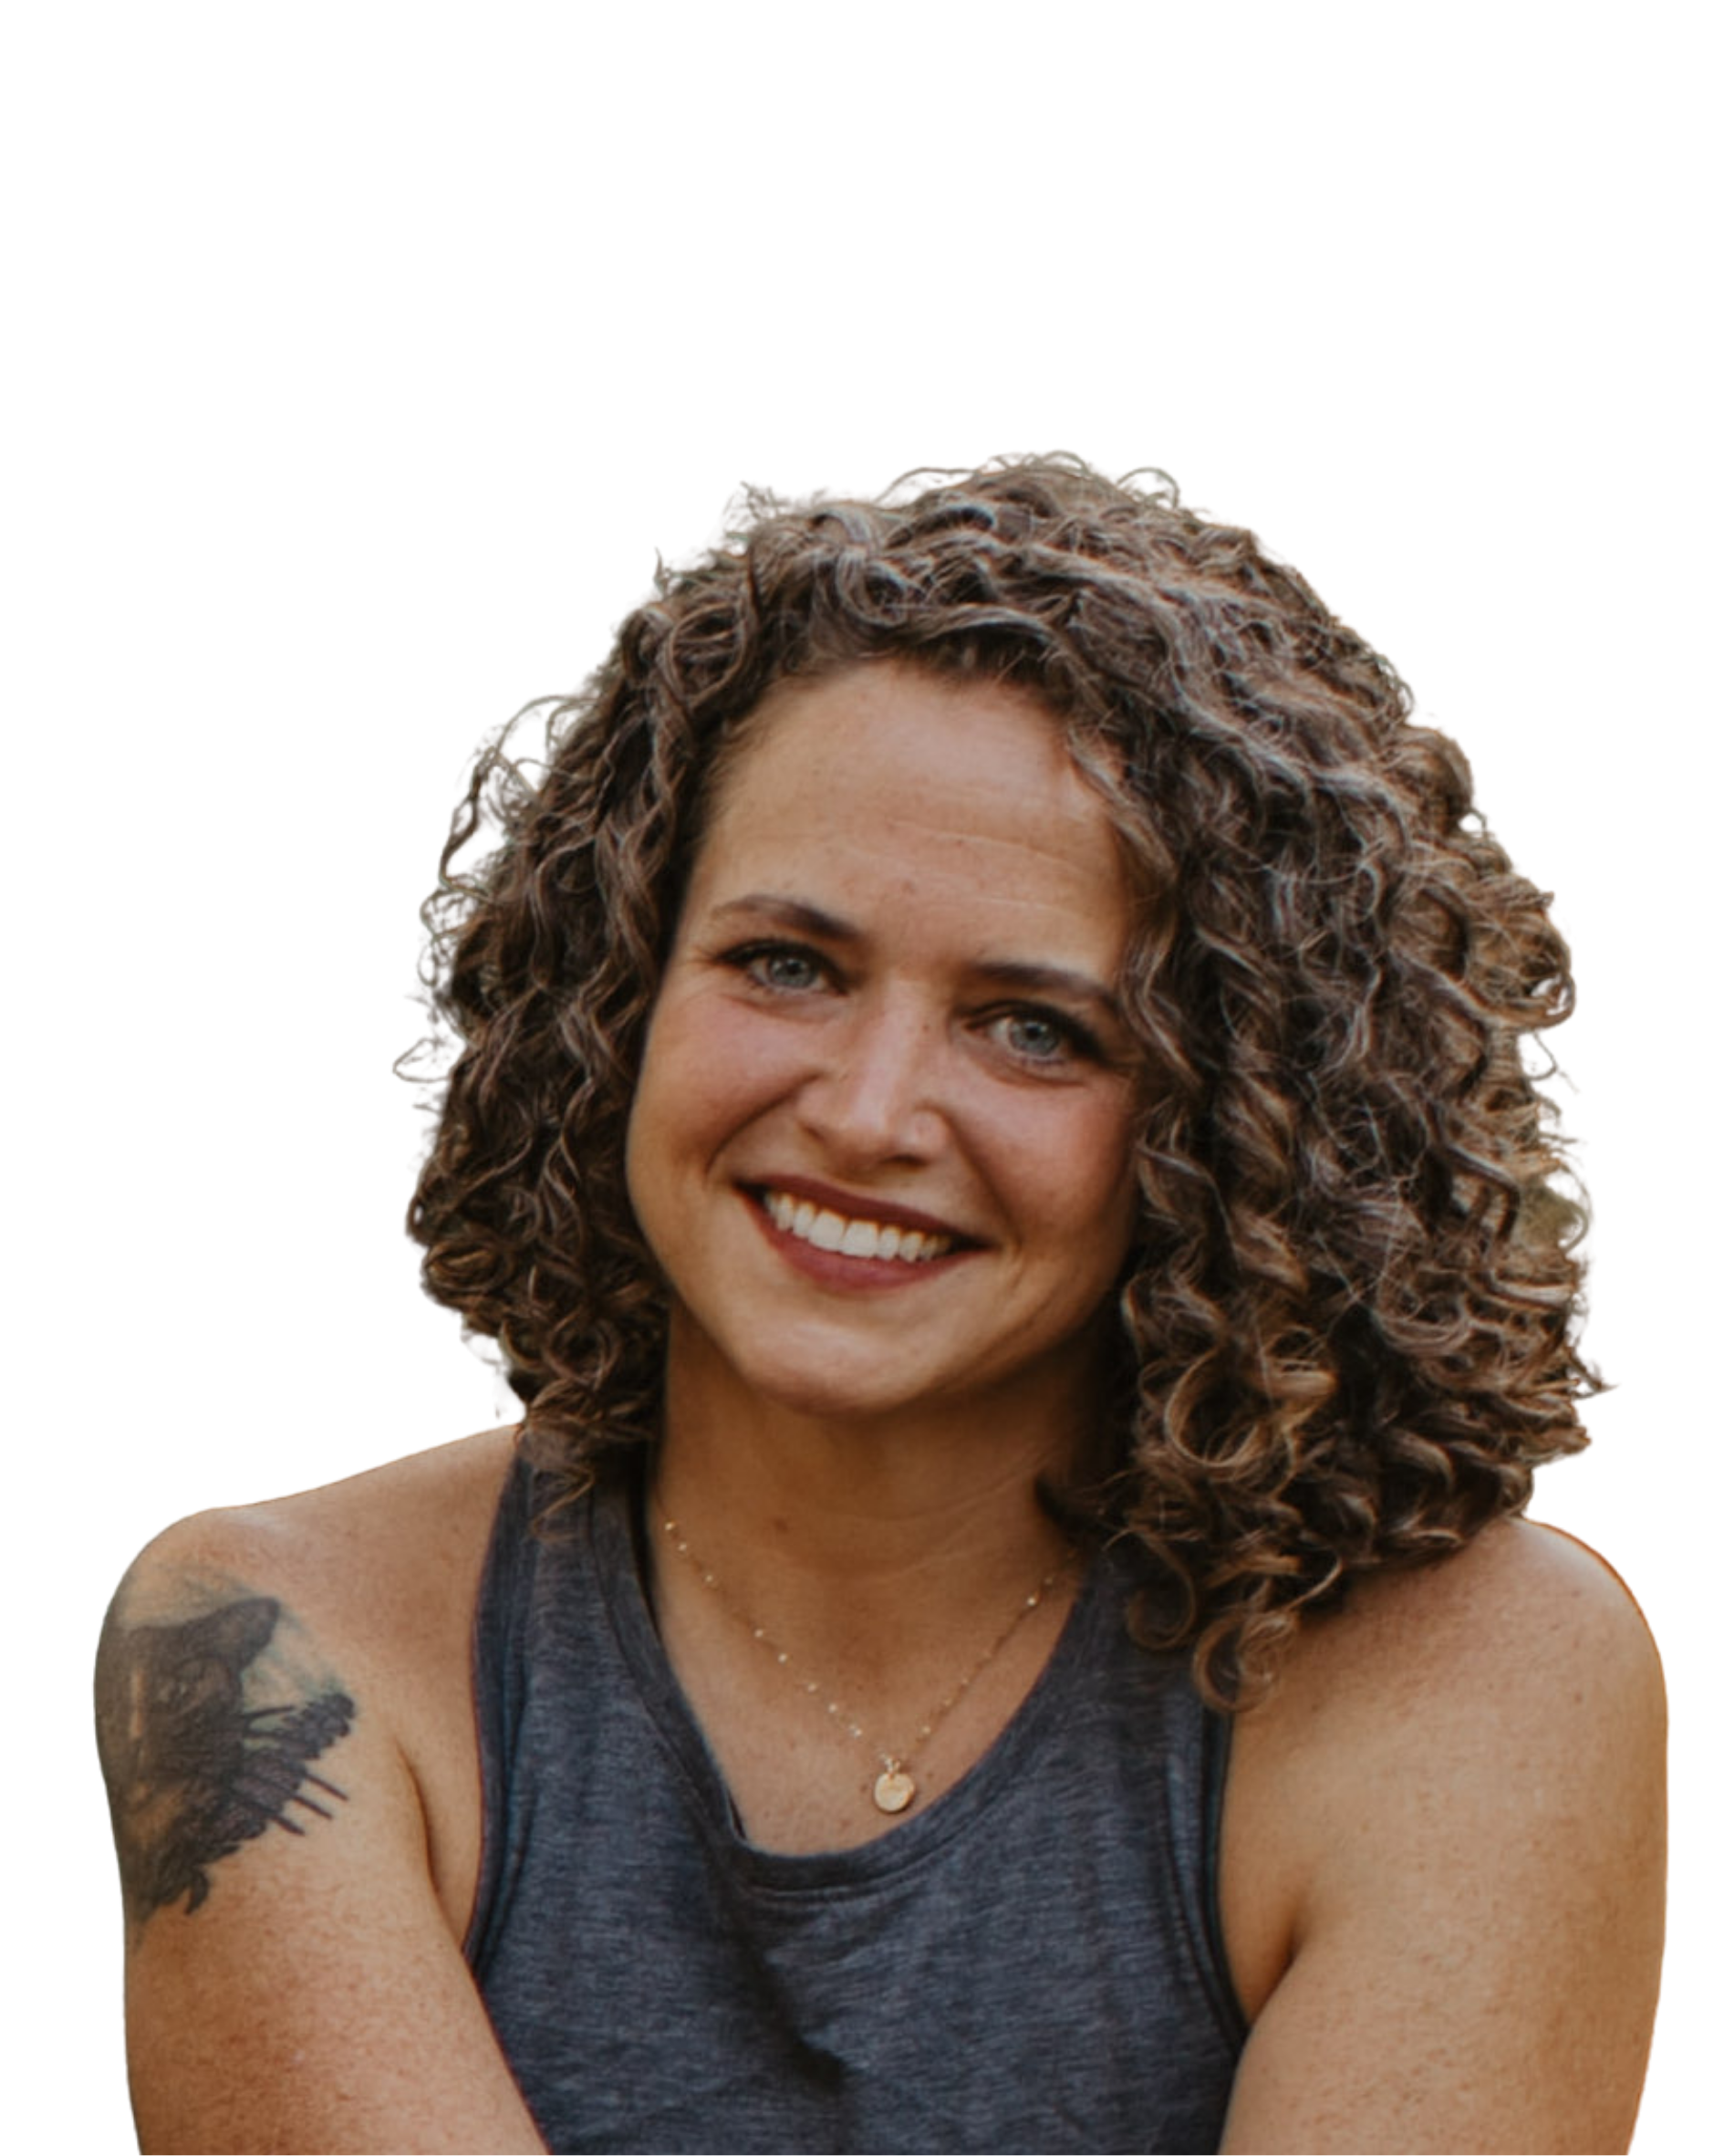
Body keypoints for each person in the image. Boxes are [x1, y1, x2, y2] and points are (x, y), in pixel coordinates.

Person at [96, 454, 1668, 2154]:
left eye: (1034, 1025)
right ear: (614, 986)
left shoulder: (1476, 1673)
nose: (864, 1112)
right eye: (786, 963)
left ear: (1231, 1123)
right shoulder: (268, 1644)